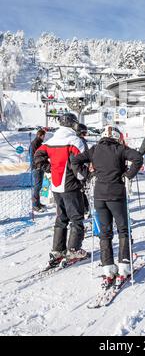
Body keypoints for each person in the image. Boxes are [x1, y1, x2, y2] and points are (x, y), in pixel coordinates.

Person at [71, 124, 143, 285]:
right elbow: (138, 158)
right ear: (118, 137)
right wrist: (128, 175)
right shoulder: (120, 149)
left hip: (99, 196)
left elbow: (75, 160)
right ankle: (124, 265)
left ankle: (108, 267)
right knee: (123, 229)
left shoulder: (95, 149)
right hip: (116, 195)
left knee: (105, 232)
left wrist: (83, 175)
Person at [34, 113, 89, 263]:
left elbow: (37, 155)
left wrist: (48, 168)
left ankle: (58, 250)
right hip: (71, 185)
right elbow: (83, 161)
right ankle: (74, 250)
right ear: (72, 124)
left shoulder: (51, 140)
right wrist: (85, 176)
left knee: (61, 218)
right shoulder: (74, 141)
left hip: (56, 185)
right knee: (76, 218)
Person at [30, 128, 47, 212]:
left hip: (40, 166)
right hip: (37, 167)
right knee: (37, 186)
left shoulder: (39, 143)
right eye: (43, 136)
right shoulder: (34, 144)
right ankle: (35, 205)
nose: (44, 137)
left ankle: (38, 202)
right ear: (40, 135)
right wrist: (36, 166)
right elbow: (34, 156)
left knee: (39, 186)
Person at [76, 123, 91, 215]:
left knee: (81, 189)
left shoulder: (80, 141)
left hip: (80, 168)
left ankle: (84, 208)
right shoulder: (80, 142)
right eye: (84, 133)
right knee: (81, 190)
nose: (85, 135)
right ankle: (84, 209)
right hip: (81, 168)